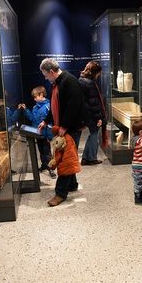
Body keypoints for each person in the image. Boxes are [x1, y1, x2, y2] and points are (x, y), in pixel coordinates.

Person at [37, 58, 87, 206]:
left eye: (46, 75)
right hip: (64, 127)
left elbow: (74, 106)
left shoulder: (68, 81)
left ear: (52, 72)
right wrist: (46, 120)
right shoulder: (58, 83)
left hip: (69, 128)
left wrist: (64, 126)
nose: (45, 78)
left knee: (65, 160)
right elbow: (55, 106)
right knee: (69, 157)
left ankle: (60, 193)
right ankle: (72, 185)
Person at [19, 85, 55, 178]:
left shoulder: (48, 106)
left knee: (47, 152)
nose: (34, 99)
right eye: (33, 97)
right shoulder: (35, 107)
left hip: (45, 134)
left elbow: (51, 122)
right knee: (41, 151)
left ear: (41, 94)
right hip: (37, 133)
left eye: (35, 97)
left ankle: (51, 168)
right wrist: (26, 109)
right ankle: (44, 165)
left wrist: (49, 136)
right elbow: (32, 118)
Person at [78, 61, 106, 165]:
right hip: (91, 115)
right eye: (99, 73)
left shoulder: (81, 80)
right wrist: (99, 117)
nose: (99, 75)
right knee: (94, 135)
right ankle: (90, 158)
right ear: (95, 72)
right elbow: (93, 103)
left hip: (86, 113)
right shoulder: (90, 83)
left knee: (93, 135)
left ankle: (86, 158)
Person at [47, 126, 80, 206]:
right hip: (72, 158)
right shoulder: (68, 136)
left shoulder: (61, 139)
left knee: (64, 173)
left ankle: (60, 195)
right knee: (70, 169)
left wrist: (52, 165)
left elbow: (58, 156)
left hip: (67, 160)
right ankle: (72, 185)